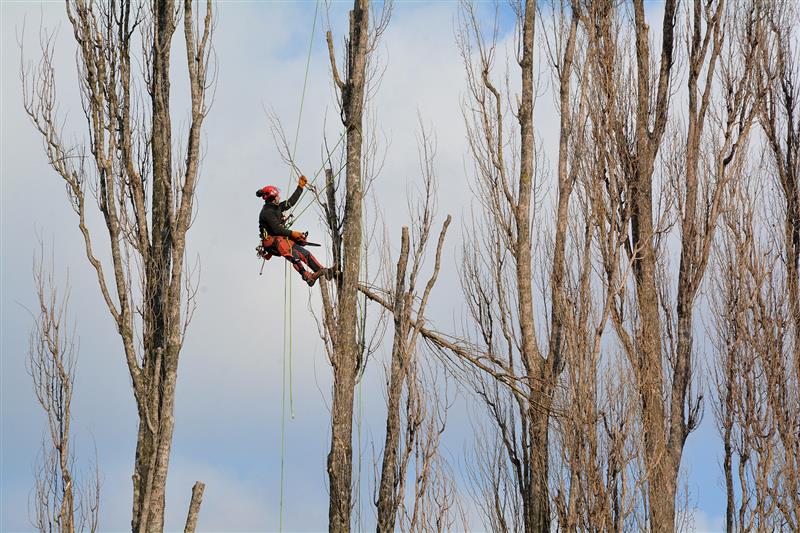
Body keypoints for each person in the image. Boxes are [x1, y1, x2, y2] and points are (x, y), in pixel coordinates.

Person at [256, 175, 328, 286]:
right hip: (272, 242)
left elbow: (291, 202)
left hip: (281, 238)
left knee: (305, 253)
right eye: (277, 196)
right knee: (294, 255)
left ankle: (322, 271)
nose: (279, 197)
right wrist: (293, 234)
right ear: (273, 197)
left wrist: (300, 187)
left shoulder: (277, 207)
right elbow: (276, 229)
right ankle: (306, 276)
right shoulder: (267, 212)